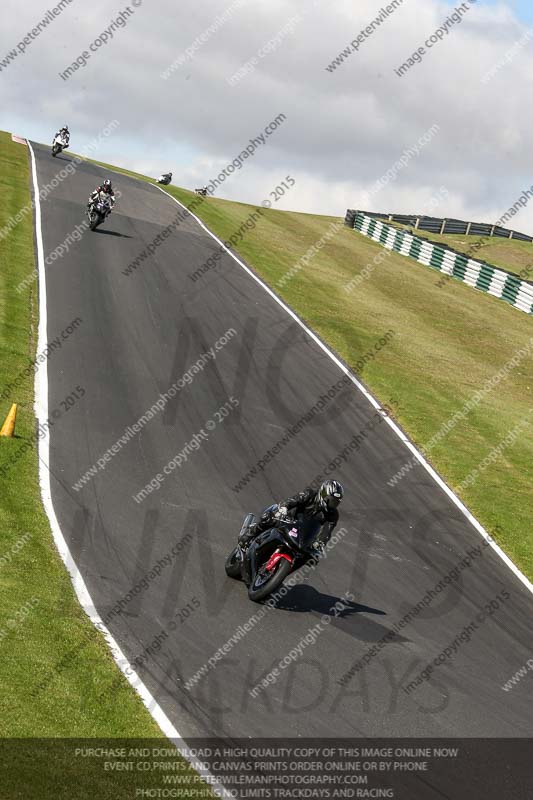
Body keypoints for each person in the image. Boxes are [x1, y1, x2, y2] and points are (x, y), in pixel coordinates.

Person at [238, 479, 344, 553]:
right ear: (324, 494)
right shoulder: (310, 494)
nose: (333, 504)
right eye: (331, 500)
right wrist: (284, 508)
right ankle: (248, 536)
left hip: (303, 535)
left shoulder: (333, 515)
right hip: (288, 519)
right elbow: (293, 500)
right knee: (269, 517)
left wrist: (320, 543)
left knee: (310, 556)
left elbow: (327, 532)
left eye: (336, 502)